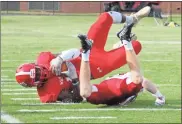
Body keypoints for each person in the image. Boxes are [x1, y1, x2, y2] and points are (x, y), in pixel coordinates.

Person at [15, 6, 151, 103]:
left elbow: (73, 51)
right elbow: (78, 98)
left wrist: (60, 58)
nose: (41, 74)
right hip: (96, 67)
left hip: (88, 49)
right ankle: (121, 43)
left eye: (37, 71)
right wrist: (74, 79)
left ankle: (131, 19)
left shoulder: (44, 58)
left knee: (105, 17)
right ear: (33, 85)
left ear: (34, 65)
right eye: (37, 77)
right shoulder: (48, 93)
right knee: (136, 46)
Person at [79, 22, 165, 106]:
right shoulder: (130, 82)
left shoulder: (131, 87)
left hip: (111, 94)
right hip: (110, 89)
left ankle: (85, 52)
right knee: (137, 80)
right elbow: (144, 81)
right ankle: (126, 41)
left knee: (84, 92)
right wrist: (159, 96)